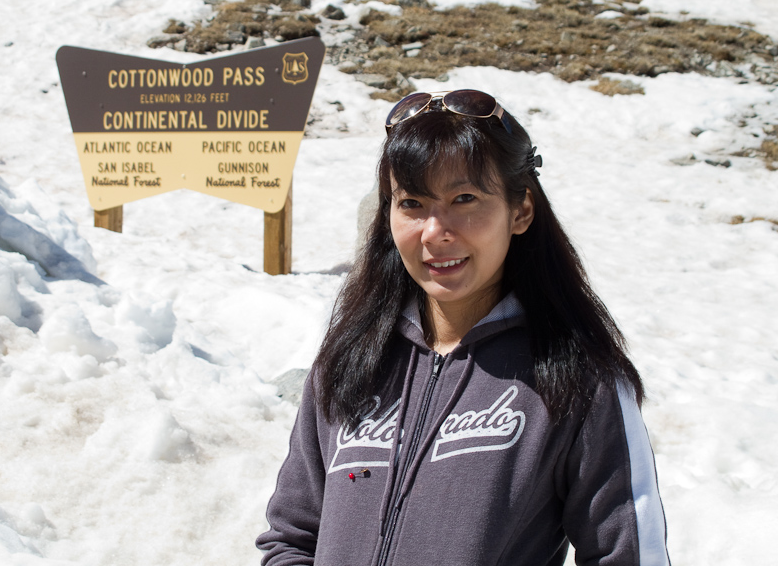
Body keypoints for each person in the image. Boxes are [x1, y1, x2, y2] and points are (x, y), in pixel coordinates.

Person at [256, 90, 670, 566]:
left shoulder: (580, 378)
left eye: (465, 198)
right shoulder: (350, 360)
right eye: (411, 202)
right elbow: (291, 538)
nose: (435, 231)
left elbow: (628, 556)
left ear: (521, 211)